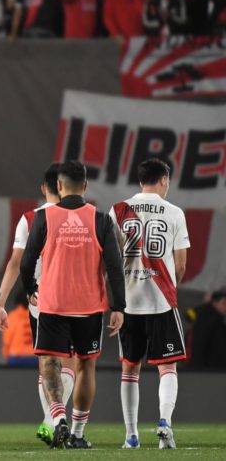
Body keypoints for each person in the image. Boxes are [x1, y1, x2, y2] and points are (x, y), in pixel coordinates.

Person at [20, 160, 127, 449]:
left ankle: (57, 418)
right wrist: (119, 307)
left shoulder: (44, 217)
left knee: (50, 363)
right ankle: (78, 433)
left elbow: (27, 261)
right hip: (89, 305)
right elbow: (115, 267)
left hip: (53, 304)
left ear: (58, 185)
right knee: (86, 367)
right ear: (86, 186)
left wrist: (29, 289)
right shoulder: (101, 220)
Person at [109, 158, 190, 450]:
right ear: (164, 180)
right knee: (167, 367)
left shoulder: (117, 210)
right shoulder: (174, 212)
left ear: (140, 179)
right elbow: (180, 264)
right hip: (161, 300)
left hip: (128, 303)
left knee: (130, 370)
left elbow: (110, 260)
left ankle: (131, 436)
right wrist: (169, 284)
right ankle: (164, 422)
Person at [0, 163, 74, 446]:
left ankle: (52, 421)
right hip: (77, 298)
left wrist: (0, 302)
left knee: (46, 363)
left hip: (40, 298)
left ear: (44, 188)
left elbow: (16, 263)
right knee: (71, 365)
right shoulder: (84, 217)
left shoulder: (30, 218)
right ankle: (54, 423)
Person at [188, 290, 226, 371]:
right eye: (224, 303)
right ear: (215, 303)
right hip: (208, 369)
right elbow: (199, 345)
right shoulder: (208, 319)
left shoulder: (216, 317)